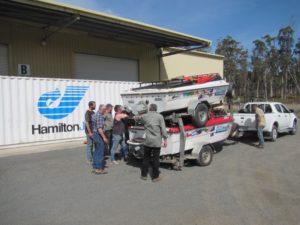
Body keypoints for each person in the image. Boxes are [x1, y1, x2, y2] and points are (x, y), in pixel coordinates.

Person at [135, 104, 168, 182]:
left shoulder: (145, 116)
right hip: (157, 141)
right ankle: (155, 177)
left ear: (149, 109)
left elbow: (138, 120)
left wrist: (136, 117)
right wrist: (165, 139)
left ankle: (143, 175)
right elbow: (163, 129)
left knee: (146, 158)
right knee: (155, 159)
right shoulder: (160, 117)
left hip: (148, 140)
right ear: (156, 109)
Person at [91, 104, 108, 174]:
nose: (105, 111)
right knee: (100, 151)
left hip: (95, 134)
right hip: (98, 135)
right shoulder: (100, 116)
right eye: (105, 110)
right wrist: (104, 137)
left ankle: (95, 166)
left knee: (96, 151)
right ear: (102, 109)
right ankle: (99, 168)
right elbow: (100, 129)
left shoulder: (95, 114)